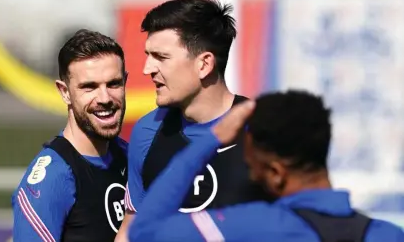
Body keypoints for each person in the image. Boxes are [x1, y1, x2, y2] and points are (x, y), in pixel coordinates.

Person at [128, 90, 404, 242]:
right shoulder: (388, 234)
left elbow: (145, 232)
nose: (251, 176)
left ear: (275, 173)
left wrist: (209, 141)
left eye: (253, 167)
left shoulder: (253, 227)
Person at [115, 0, 266, 241]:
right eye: (148, 55)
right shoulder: (147, 131)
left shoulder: (263, 131)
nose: (147, 68)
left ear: (204, 64)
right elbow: (131, 231)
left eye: (161, 57)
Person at [12, 29, 129, 242]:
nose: (104, 98)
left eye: (113, 83)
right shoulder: (52, 179)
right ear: (65, 92)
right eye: (89, 87)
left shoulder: (131, 156)